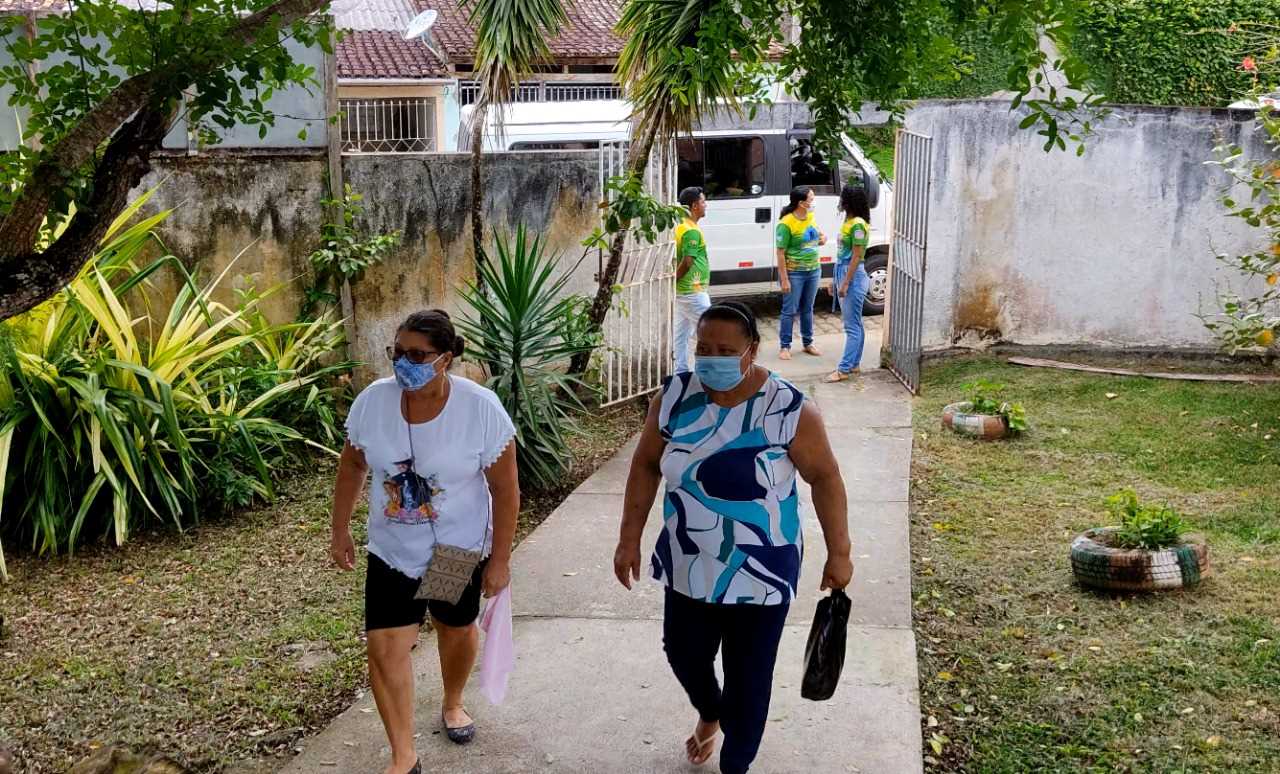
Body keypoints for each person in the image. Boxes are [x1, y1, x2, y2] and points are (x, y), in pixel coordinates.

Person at [613, 302, 854, 774]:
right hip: (687, 562)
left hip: (762, 569)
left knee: (749, 681)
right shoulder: (674, 398)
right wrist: (628, 538)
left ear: (752, 350)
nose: (712, 359)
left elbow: (825, 478)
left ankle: (735, 764)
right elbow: (644, 466)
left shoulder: (788, 408)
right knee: (682, 654)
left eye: (726, 350)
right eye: (704, 348)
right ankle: (709, 711)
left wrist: (839, 552)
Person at [329, 310, 519, 774]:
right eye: (397, 353)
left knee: (455, 633)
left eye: (417, 355)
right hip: (392, 550)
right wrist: (339, 528)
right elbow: (353, 465)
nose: (403, 364)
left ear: (446, 359)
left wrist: (499, 561)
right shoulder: (373, 402)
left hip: (455, 549)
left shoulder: (480, 408)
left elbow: (506, 488)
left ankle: (453, 701)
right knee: (384, 649)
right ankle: (403, 756)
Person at [826, 185, 873, 382]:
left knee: (851, 326)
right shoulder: (849, 221)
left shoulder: (858, 225)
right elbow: (842, 254)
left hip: (852, 274)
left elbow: (856, 256)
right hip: (843, 270)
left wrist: (845, 283)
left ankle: (844, 369)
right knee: (855, 323)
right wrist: (833, 279)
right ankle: (853, 364)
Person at [775, 187, 826, 360]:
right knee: (789, 310)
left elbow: (819, 236)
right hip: (794, 272)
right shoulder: (786, 223)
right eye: (811, 199)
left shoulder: (810, 217)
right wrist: (784, 279)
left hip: (813, 270)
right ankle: (785, 346)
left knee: (808, 309)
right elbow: (780, 252)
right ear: (801, 203)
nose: (813, 202)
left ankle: (808, 343)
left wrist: (822, 239)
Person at [673, 186, 712, 373]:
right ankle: (705, 371)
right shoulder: (691, 231)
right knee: (709, 331)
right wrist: (673, 281)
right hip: (693, 291)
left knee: (681, 335)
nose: (706, 205)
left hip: (686, 291)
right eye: (704, 201)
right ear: (695, 206)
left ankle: (680, 371)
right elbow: (687, 261)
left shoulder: (684, 225)